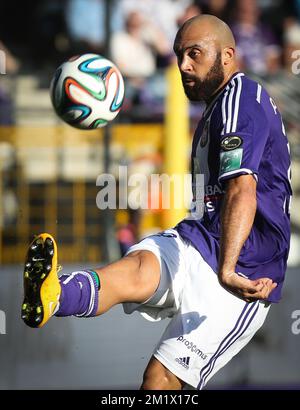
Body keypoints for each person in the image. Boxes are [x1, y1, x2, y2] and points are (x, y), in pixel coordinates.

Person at [21, 14, 292, 390]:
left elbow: (241, 188)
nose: (183, 65)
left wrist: (228, 269)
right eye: (180, 54)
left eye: (195, 54)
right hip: (200, 238)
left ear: (228, 56)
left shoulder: (240, 101)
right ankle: (54, 294)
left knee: (160, 379)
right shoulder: (218, 107)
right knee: (136, 269)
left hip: (245, 267)